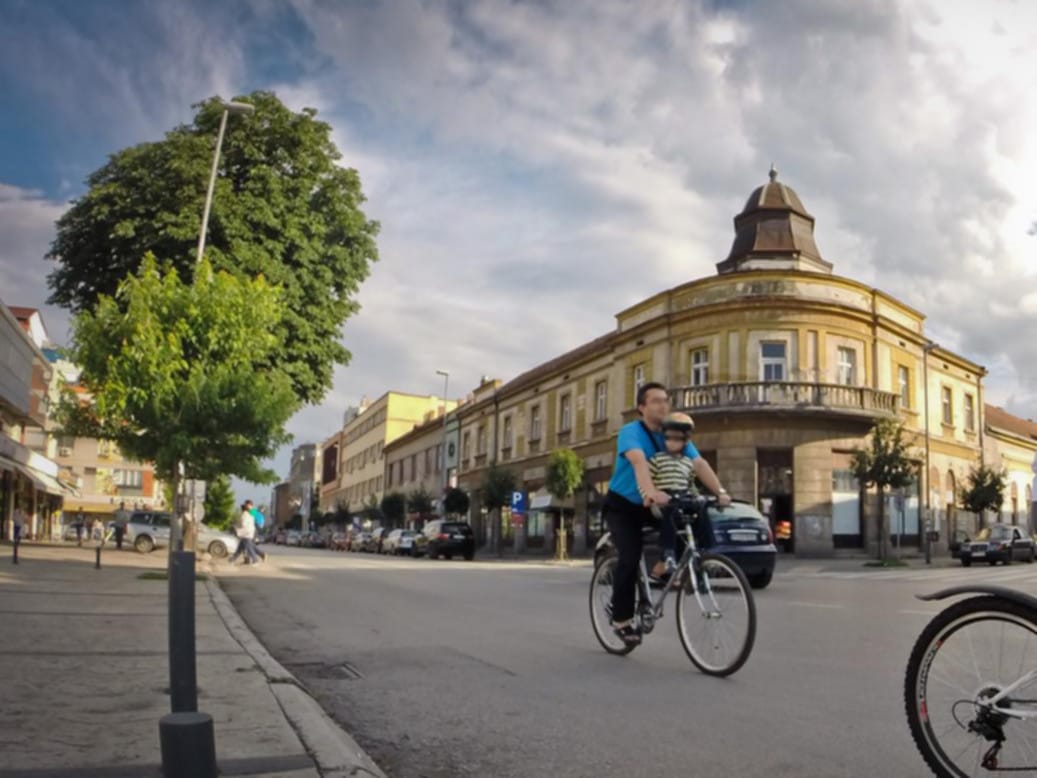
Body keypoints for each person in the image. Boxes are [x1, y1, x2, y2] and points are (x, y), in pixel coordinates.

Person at [604, 382, 730, 647]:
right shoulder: (631, 431)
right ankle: (622, 620)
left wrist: (719, 491)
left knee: (688, 519)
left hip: (657, 504)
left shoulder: (673, 434)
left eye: (665, 400)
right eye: (656, 401)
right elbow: (638, 462)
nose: (663, 405)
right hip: (624, 505)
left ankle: (663, 566)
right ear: (642, 407)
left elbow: (699, 463)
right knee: (629, 557)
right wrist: (649, 492)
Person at [644, 411, 701, 583]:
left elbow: (691, 484)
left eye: (677, 439)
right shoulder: (657, 459)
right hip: (663, 500)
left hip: (681, 497)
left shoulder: (688, 463)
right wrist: (651, 494)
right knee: (670, 513)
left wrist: (698, 498)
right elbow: (646, 480)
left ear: (685, 442)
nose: (672, 443)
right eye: (668, 438)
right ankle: (667, 555)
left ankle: (705, 549)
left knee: (700, 511)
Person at [229, 501, 260, 565]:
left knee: (249, 548)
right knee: (240, 548)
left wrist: (236, 528)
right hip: (248, 533)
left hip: (246, 533)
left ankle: (255, 560)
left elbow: (244, 524)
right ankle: (232, 559)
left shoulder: (245, 515)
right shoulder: (250, 514)